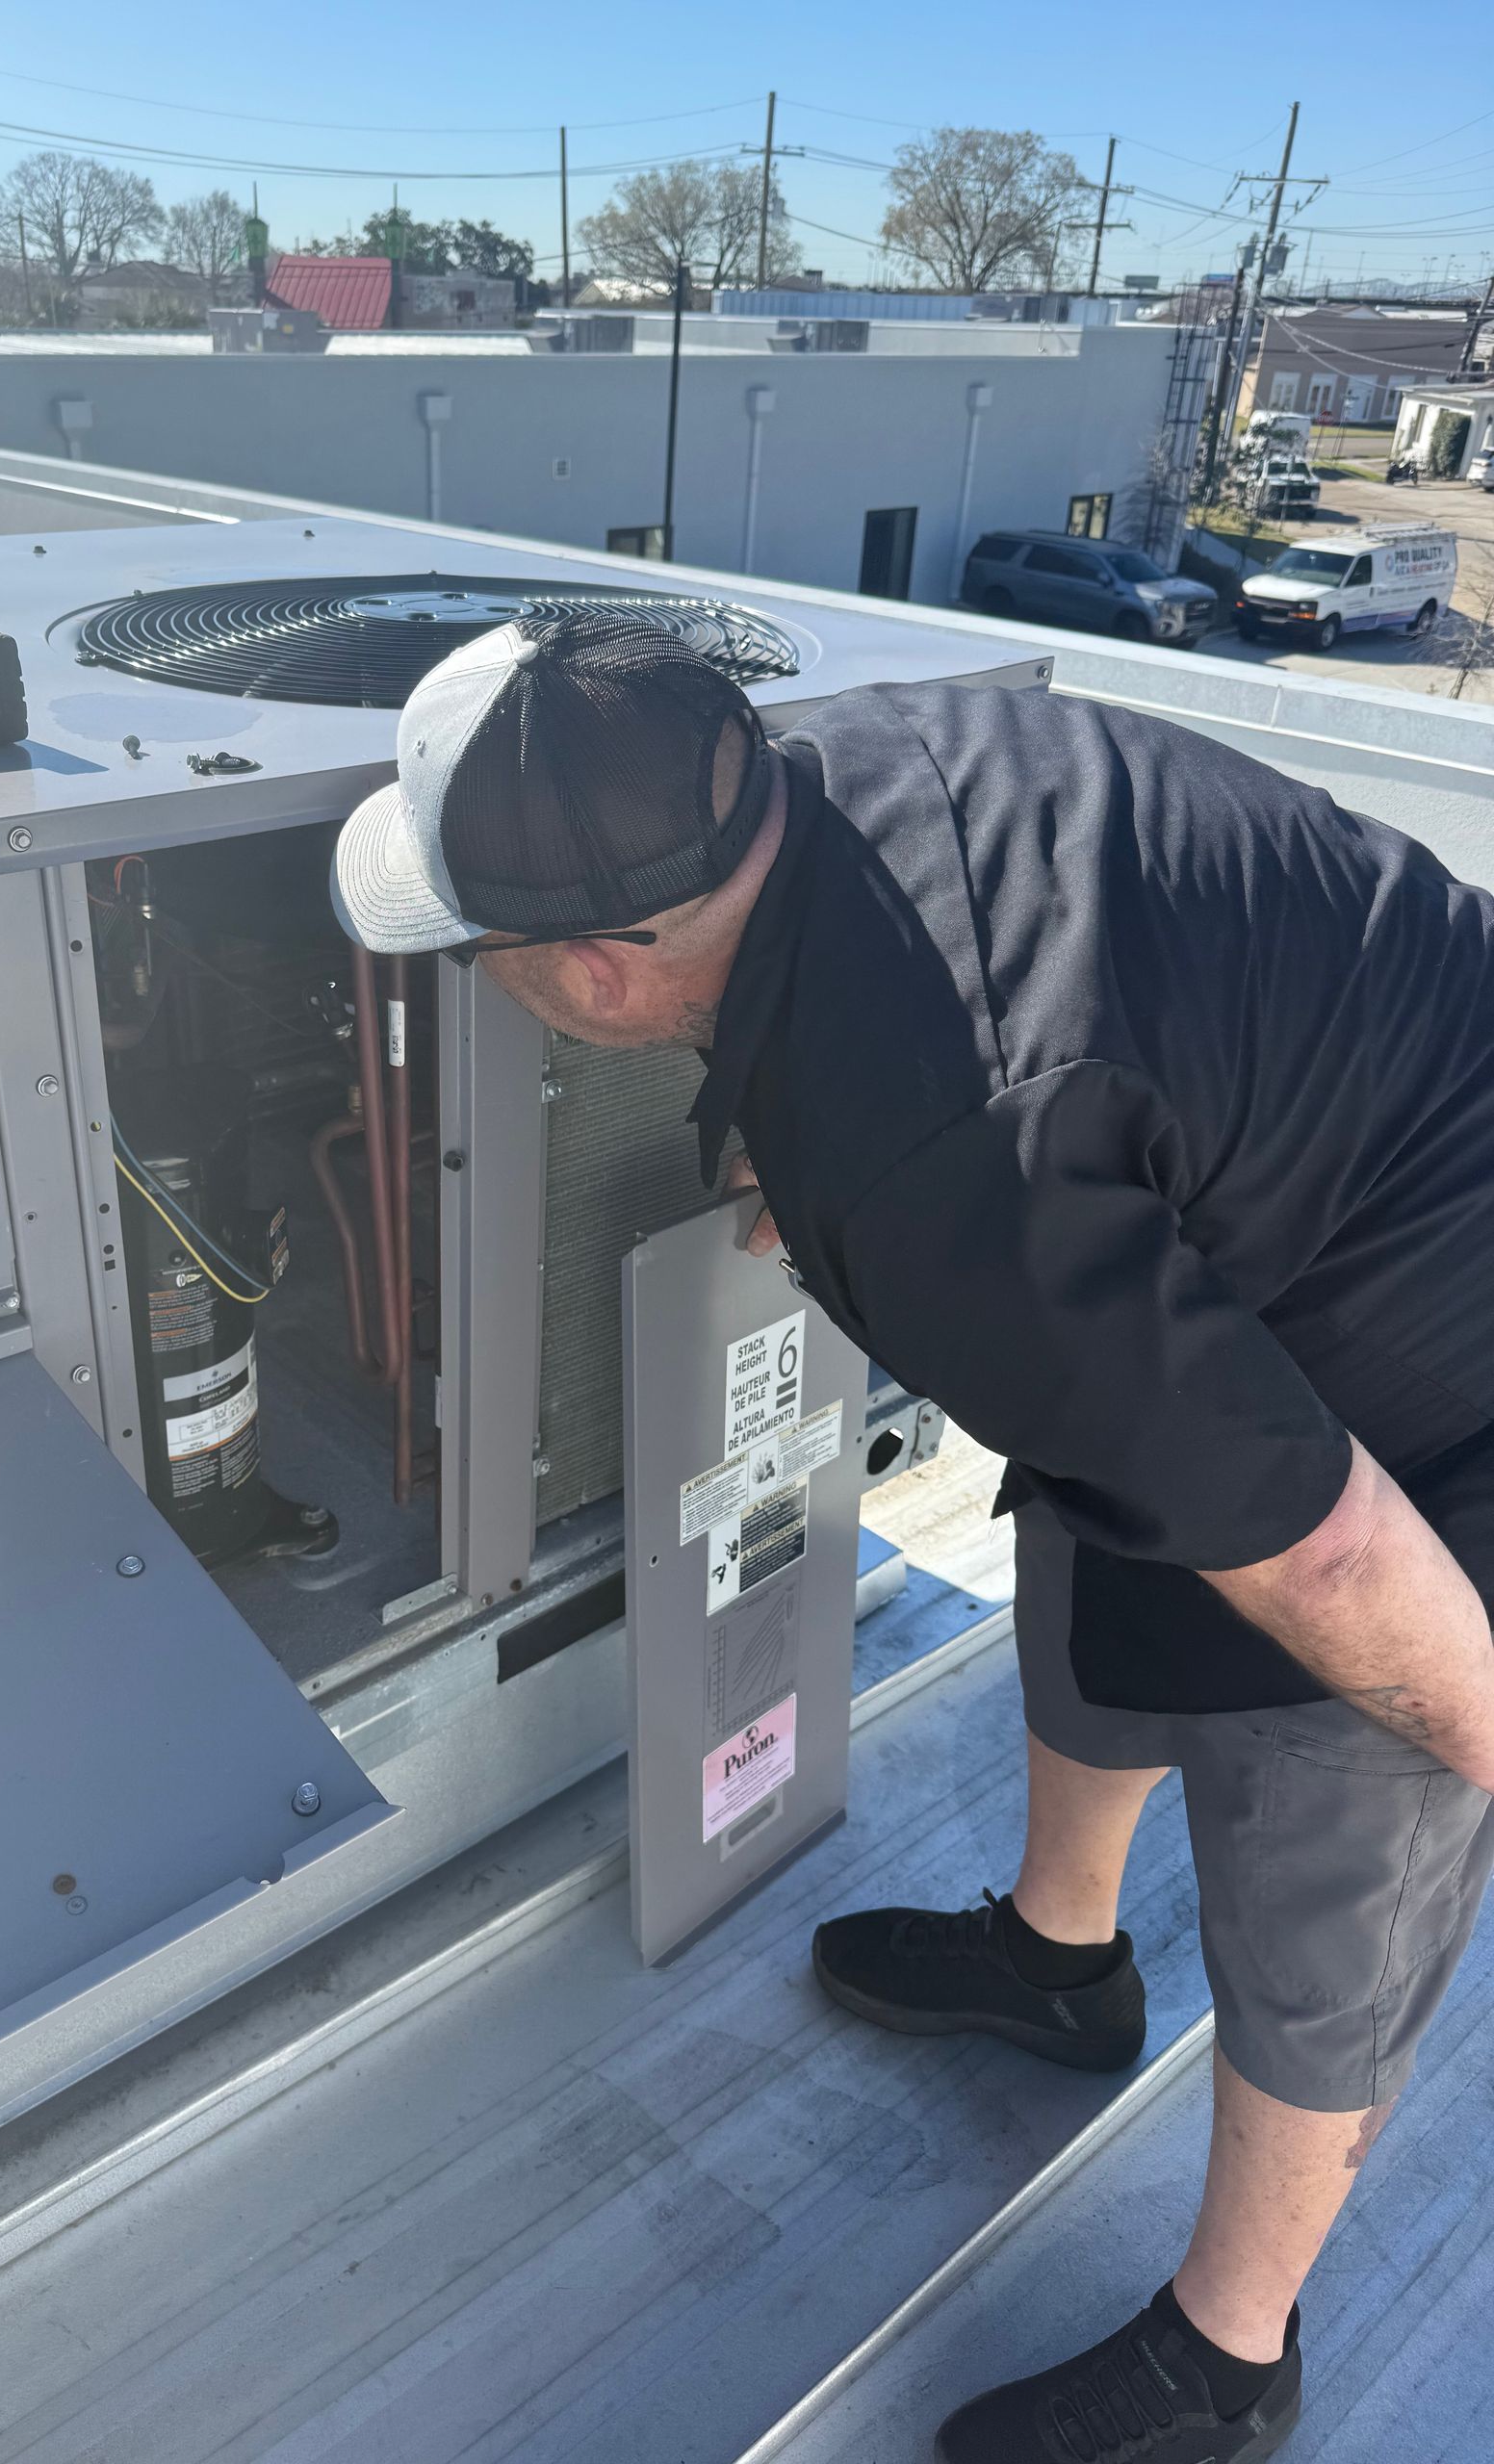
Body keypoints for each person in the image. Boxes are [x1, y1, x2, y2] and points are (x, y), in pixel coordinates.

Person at [329, 610, 1494, 2464]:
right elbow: (980, 1075)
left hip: (1437, 1357)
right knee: (1098, 1526)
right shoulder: (819, 766)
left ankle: (1231, 2362)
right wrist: (817, 1140)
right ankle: (1061, 1954)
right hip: (1279, 1161)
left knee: (1332, 1839)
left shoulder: (949, 1159)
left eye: (481, 956)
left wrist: (1468, 1719)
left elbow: (1334, 1557)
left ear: (596, 976)